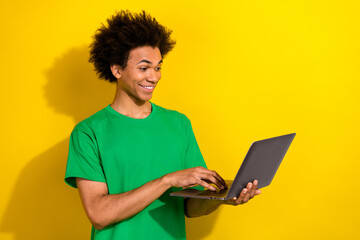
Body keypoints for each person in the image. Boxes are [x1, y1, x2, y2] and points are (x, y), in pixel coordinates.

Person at [64, 10, 261, 240]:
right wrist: (167, 181)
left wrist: (224, 198)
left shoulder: (179, 124)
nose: (154, 77)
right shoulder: (88, 132)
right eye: (144, 68)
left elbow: (190, 207)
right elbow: (99, 213)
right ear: (117, 69)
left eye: (158, 67)